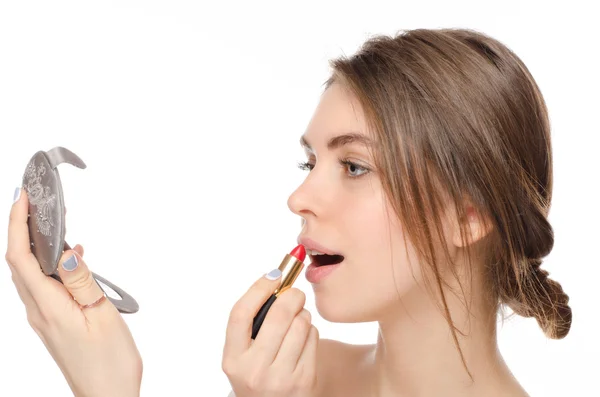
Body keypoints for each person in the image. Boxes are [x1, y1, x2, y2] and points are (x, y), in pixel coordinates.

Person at [5, 27, 571, 396]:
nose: (298, 199)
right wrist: (109, 381)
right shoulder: (296, 375)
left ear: (467, 216)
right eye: (310, 163)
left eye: (354, 166)